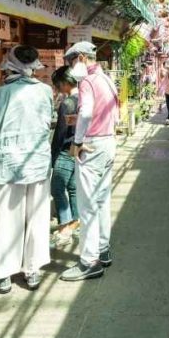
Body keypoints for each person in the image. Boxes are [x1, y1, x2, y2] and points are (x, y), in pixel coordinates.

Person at [0, 45, 54, 293]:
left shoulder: (3, 93)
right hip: (37, 161)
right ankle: (32, 270)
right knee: (37, 215)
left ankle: (3, 275)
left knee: (6, 217)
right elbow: (48, 122)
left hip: (9, 162)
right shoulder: (46, 91)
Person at [60, 41, 119, 282]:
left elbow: (85, 112)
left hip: (92, 145)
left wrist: (77, 140)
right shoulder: (106, 79)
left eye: (73, 61)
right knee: (102, 199)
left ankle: (89, 261)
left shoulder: (87, 81)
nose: (72, 67)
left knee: (87, 204)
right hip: (108, 142)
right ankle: (103, 250)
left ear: (83, 57)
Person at [49, 66, 80, 248]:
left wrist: (53, 156)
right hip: (78, 149)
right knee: (73, 188)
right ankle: (75, 221)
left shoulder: (67, 104)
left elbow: (60, 133)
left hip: (65, 151)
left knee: (57, 188)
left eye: (58, 84)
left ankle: (64, 226)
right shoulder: (83, 99)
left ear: (65, 83)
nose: (57, 88)